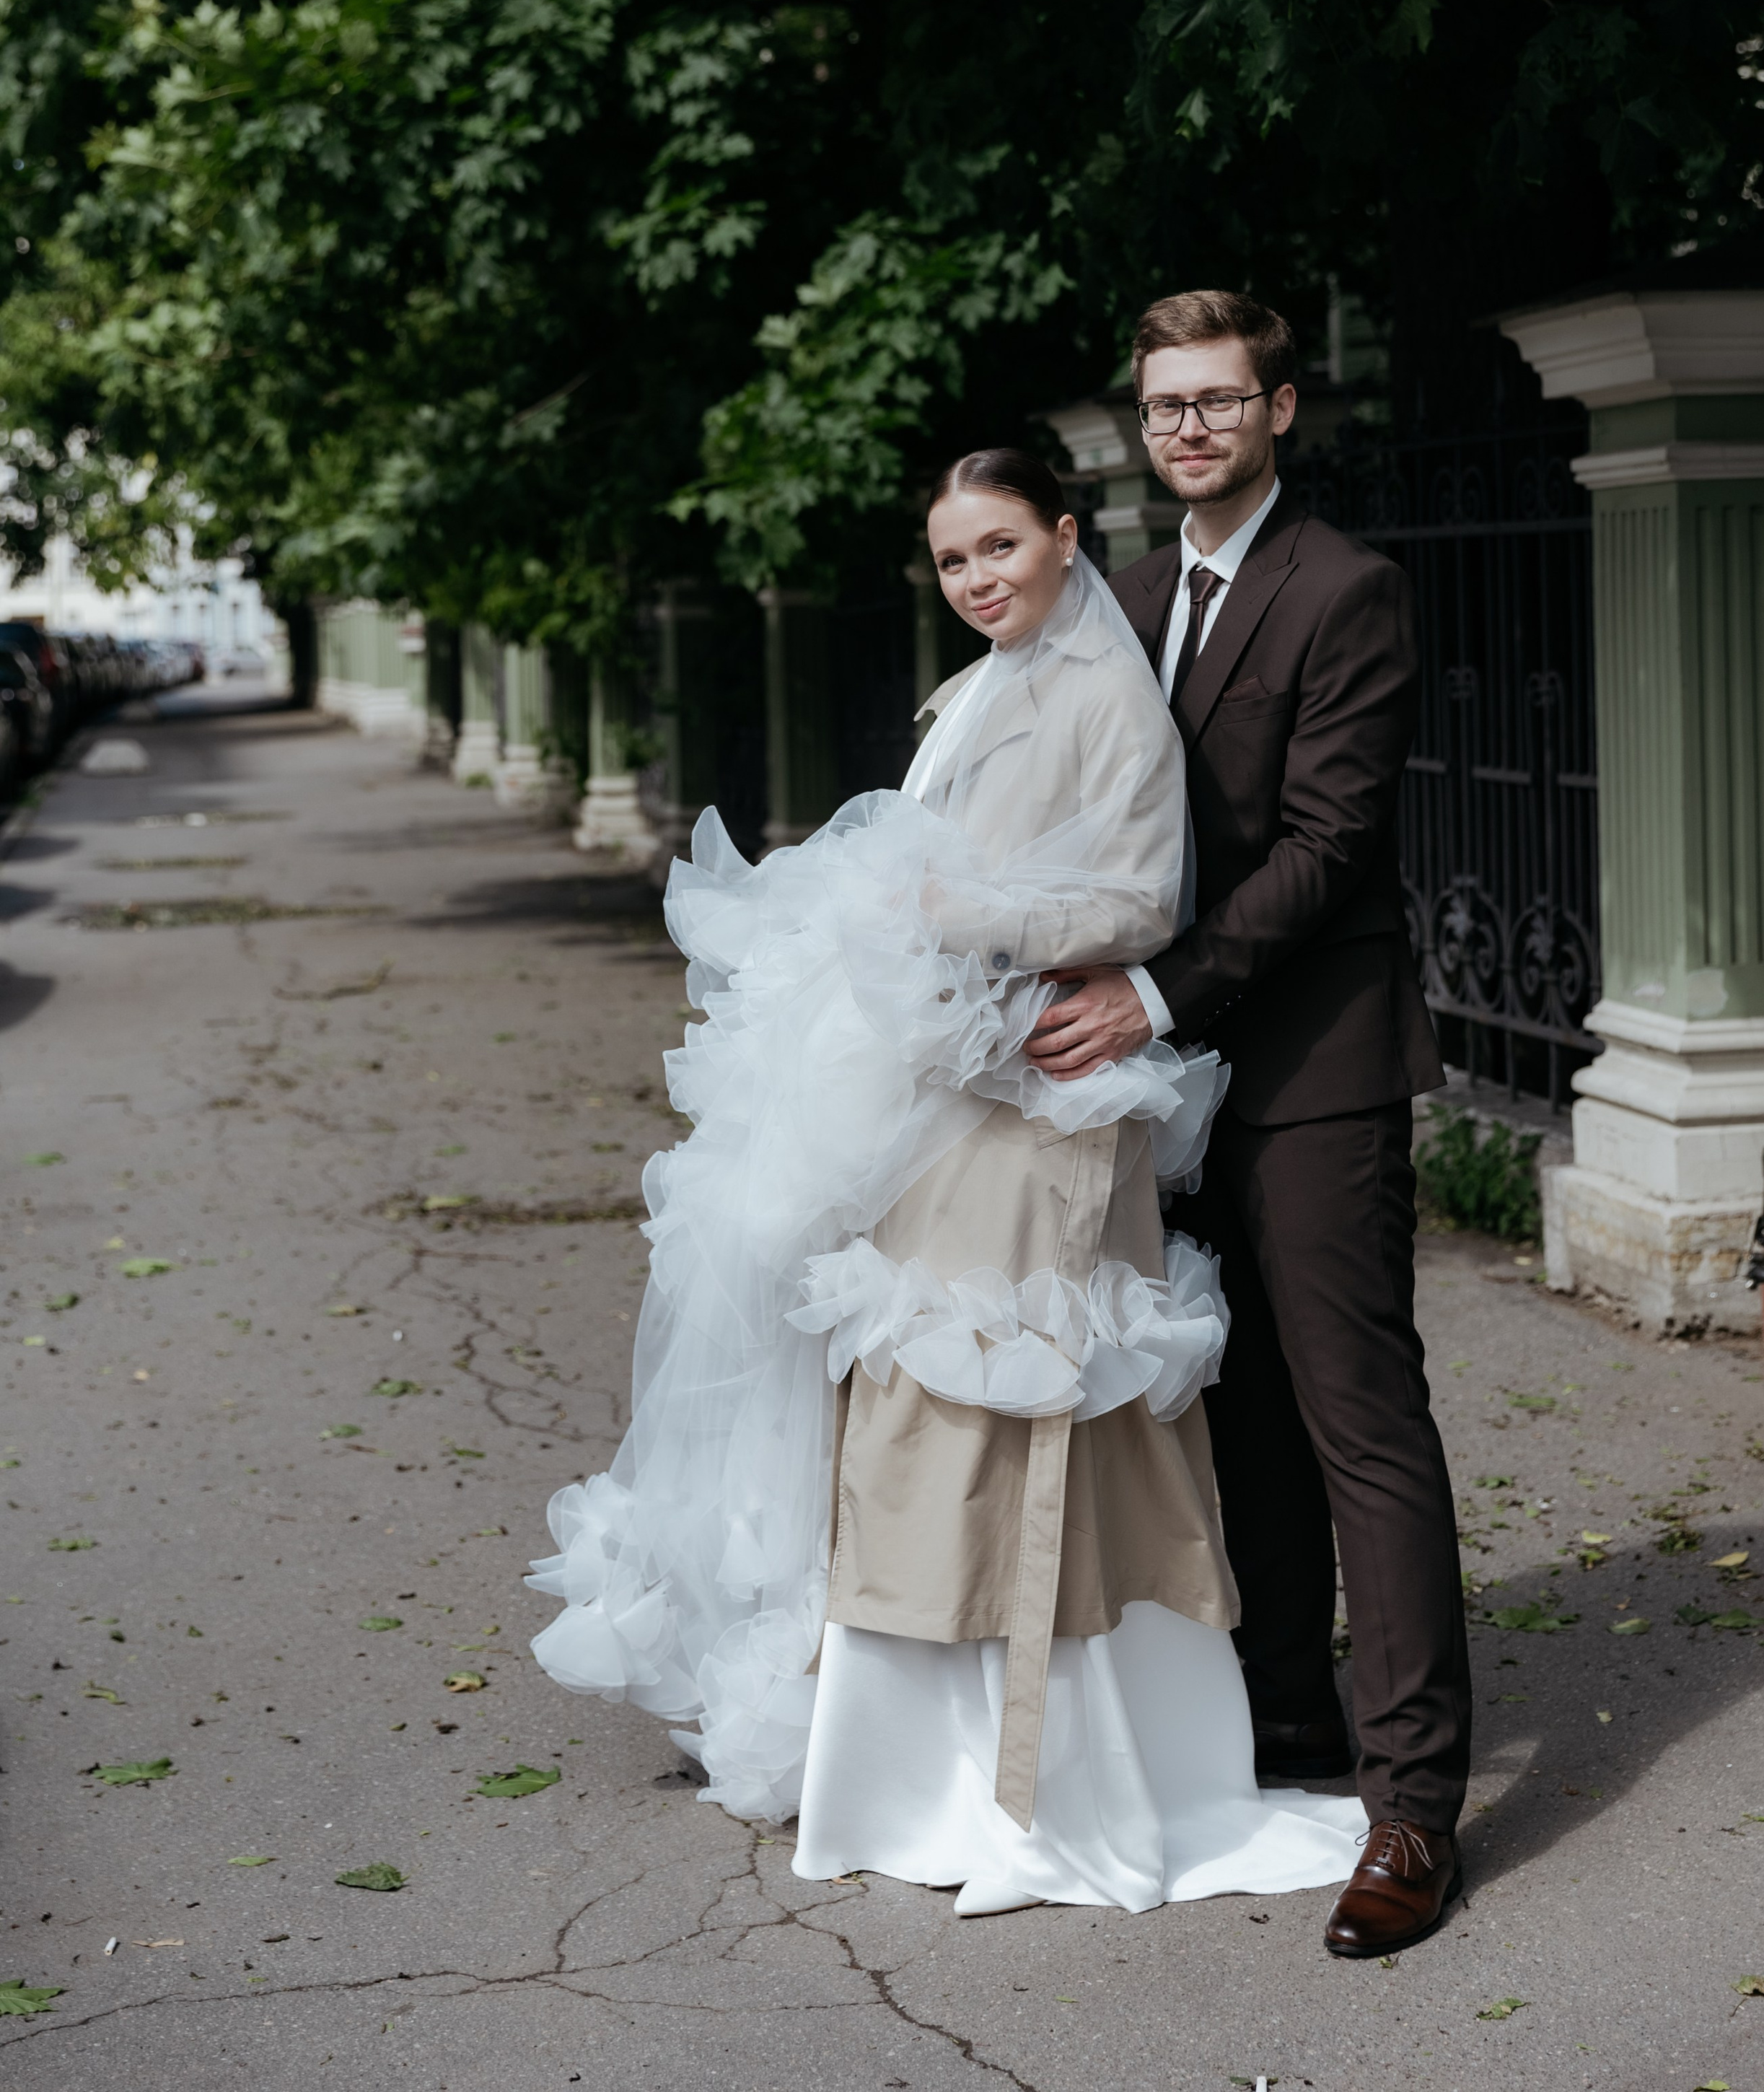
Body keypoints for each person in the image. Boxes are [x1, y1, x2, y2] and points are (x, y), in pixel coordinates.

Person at [524, 445, 1368, 1916]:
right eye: (951, 561)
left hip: (1041, 1100)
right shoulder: (988, 683)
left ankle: (1040, 1777)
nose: (977, 580)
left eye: (998, 548)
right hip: (953, 1100)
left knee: (1022, 1405)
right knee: (921, 1409)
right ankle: (906, 1764)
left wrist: (934, 903)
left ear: (1061, 533)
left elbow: (1138, 900)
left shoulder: (1107, 698)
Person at [1024, 288, 1467, 1959]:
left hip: (1313, 1062)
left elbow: (1325, 844)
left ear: (1282, 410)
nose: (1189, 428)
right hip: (1165, 1086)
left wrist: (1150, 996)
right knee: (1240, 1412)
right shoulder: (1118, 599)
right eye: (1164, 407)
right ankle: (1288, 1731)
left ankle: (1412, 1809)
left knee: (1361, 1424)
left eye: (1219, 400)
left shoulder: (1346, 589)